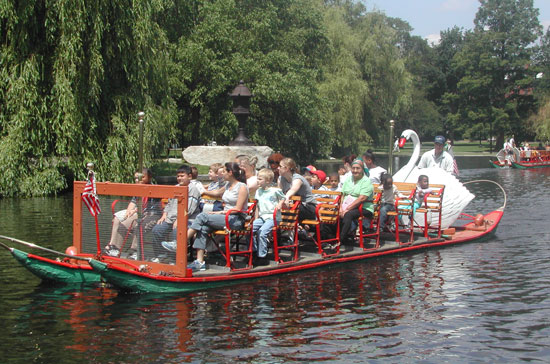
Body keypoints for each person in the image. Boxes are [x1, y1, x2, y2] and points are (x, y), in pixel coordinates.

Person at [186, 162, 249, 272]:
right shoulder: (228, 185)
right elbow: (216, 193)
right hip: (226, 217)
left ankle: (181, 242)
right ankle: (199, 262)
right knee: (203, 228)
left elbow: (238, 209)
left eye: (224, 172)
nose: (222, 174)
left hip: (236, 219)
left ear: (230, 172)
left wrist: (218, 213)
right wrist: (201, 191)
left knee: (202, 216)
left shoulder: (242, 187)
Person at [104, 168, 162, 259]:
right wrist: (128, 212)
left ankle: (135, 250)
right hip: (139, 213)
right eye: (136, 178)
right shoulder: (137, 188)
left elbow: (157, 205)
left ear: (149, 178)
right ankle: (115, 248)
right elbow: (133, 202)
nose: (138, 180)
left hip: (152, 214)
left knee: (139, 225)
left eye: (142, 177)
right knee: (122, 222)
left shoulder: (154, 188)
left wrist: (139, 211)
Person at [152, 165, 201, 259]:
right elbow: (169, 204)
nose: (179, 178)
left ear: (189, 176)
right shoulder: (175, 187)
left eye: (182, 176)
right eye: (178, 176)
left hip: (188, 219)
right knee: (157, 230)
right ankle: (160, 255)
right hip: (171, 218)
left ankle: (176, 259)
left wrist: (180, 219)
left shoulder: (193, 189)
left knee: (177, 231)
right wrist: (164, 215)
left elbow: (190, 209)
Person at [252, 168, 285, 261]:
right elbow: (257, 206)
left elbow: (283, 198)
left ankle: (262, 255)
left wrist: (280, 204)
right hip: (262, 217)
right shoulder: (258, 191)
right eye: (257, 178)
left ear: (268, 181)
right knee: (249, 230)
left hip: (273, 217)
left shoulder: (274, 191)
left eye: (260, 179)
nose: (257, 181)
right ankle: (254, 250)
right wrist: (256, 218)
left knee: (262, 232)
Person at [339, 159, 374, 244]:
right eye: (353, 168)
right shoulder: (348, 179)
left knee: (348, 214)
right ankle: (330, 236)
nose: (355, 171)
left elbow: (362, 198)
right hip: (347, 205)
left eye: (357, 168)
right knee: (334, 213)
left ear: (362, 169)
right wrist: (340, 208)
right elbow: (342, 194)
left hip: (364, 207)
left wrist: (347, 209)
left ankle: (341, 239)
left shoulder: (366, 181)